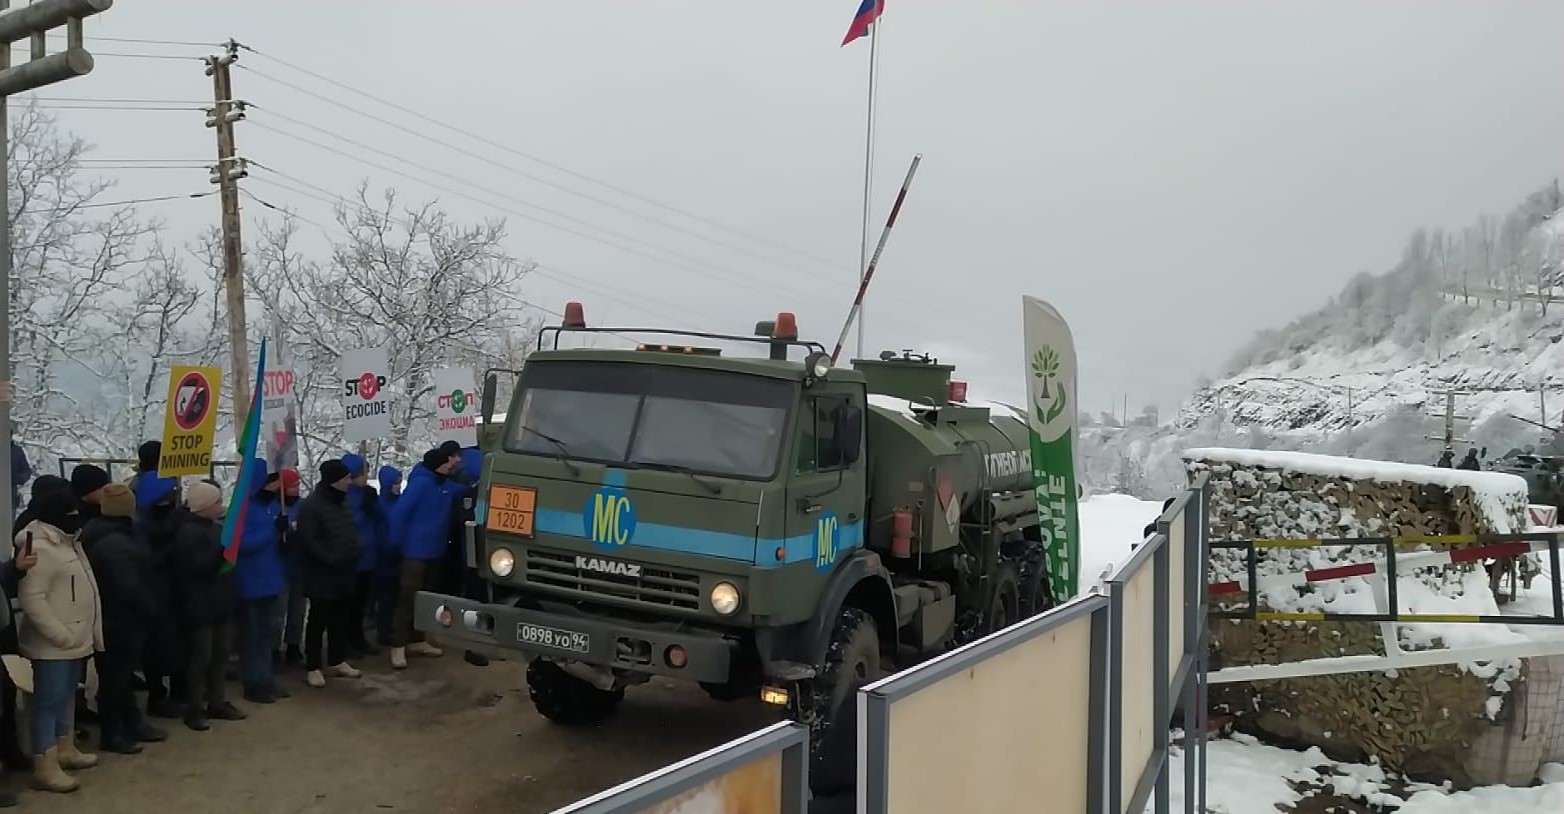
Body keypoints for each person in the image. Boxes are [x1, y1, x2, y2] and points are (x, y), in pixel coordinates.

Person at [17, 484, 102, 793]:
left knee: (66, 696)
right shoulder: (38, 547)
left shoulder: (68, 542)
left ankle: (65, 747)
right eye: (69, 514)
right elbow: (33, 598)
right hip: (53, 644)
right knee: (47, 702)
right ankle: (45, 763)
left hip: (74, 640)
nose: (75, 518)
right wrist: (60, 635)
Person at [79, 483, 163, 755]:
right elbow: (129, 586)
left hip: (112, 616)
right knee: (115, 678)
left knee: (120, 677)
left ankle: (130, 723)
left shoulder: (104, 532)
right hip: (120, 618)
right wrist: (150, 608)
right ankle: (113, 732)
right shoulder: (116, 542)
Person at [173, 481, 245, 731]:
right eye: (216, 502)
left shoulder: (213, 528)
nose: (220, 505)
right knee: (200, 659)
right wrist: (221, 552)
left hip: (219, 602)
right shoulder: (187, 532)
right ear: (204, 506)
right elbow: (199, 567)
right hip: (199, 605)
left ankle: (217, 701)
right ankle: (194, 708)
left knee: (220, 655)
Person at [388, 447, 464, 669]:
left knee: (426, 599)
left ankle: (418, 639)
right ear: (437, 464)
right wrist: (396, 544)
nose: (452, 465)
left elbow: (465, 489)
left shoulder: (446, 486)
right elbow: (399, 515)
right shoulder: (420, 484)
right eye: (448, 462)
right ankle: (398, 645)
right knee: (407, 598)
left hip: (435, 551)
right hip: (415, 553)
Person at [297, 459, 363, 688]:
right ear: (334, 480)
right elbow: (310, 541)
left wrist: (354, 551)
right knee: (318, 620)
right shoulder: (311, 506)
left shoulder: (343, 502)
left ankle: (337, 659)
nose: (349, 482)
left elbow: (348, 530)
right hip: (321, 574)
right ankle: (313, 666)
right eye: (345, 478)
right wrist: (332, 558)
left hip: (344, 571)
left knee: (340, 619)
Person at [234, 460, 290, 704]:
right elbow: (242, 545)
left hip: (270, 578)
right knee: (252, 636)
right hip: (250, 581)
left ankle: (265, 678)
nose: (278, 485)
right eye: (273, 481)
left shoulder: (272, 506)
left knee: (267, 635)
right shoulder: (243, 509)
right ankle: (253, 682)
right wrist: (274, 531)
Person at [135, 472, 187, 719]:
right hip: (156, 592)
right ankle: (157, 696)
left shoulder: (170, 518)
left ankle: (179, 689)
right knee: (156, 649)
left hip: (175, 590)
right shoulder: (143, 526)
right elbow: (150, 559)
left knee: (177, 644)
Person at [342, 454, 381, 657]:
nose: (365, 477)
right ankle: (347, 641)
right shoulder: (345, 497)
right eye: (362, 473)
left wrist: (374, 504)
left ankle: (358, 639)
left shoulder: (366, 493)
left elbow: (378, 518)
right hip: (353, 559)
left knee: (361, 604)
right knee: (350, 604)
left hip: (368, 557)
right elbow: (348, 523)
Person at [276, 468, 306, 669]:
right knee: (279, 612)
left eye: (298, 485)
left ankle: (293, 644)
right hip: (280, 567)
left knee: (298, 609)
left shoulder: (303, 506)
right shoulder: (275, 507)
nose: (296, 489)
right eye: (292, 486)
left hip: (299, 564)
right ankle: (273, 648)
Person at [372, 465, 404, 648]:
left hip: (398, 552)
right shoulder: (378, 504)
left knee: (397, 596)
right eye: (395, 483)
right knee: (386, 598)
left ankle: (393, 628)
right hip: (383, 555)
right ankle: (384, 631)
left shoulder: (401, 501)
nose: (398, 486)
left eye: (399, 482)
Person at [8, 441, 29, 516]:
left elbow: (26, 471)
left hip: (11, 491)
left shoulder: (17, 451)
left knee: (8, 519)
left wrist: (17, 479)